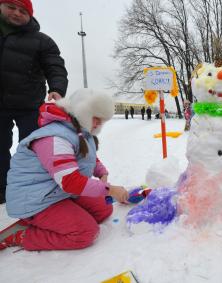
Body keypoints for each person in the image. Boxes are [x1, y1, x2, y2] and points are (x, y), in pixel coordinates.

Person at [0, 89, 129, 251]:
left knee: (103, 209)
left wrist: (101, 172)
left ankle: (61, 217)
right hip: (36, 199)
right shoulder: (55, 138)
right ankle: (22, 235)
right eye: (96, 119)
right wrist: (109, 189)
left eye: (101, 121)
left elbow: (86, 156)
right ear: (83, 112)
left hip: (56, 190)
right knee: (85, 233)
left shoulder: (78, 130)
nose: (98, 124)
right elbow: (70, 181)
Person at [0, 0, 68, 204]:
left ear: (30, 15)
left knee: (33, 146)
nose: (16, 13)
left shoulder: (41, 41)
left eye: (23, 11)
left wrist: (56, 88)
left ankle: (35, 184)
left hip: (29, 105)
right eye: (11, 7)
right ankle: (3, 188)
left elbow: (55, 66)